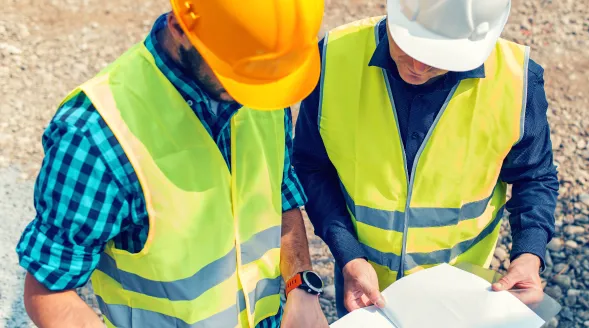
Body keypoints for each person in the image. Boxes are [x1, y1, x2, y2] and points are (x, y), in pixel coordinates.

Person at [15, 1, 330, 327]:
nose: (257, 96)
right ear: (180, 26)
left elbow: (279, 195)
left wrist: (300, 284)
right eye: (241, 78)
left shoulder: (263, 83)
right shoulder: (95, 134)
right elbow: (49, 289)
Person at [293, 0, 559, 317]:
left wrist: (529, 253)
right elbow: (311, 167)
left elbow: (535, 177)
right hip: (363, 288)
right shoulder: (335, 57)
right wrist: (348, 254)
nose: (418, 67)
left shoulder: (516, 80)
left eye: (438, 58)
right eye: (409, 46)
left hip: (462, 295)